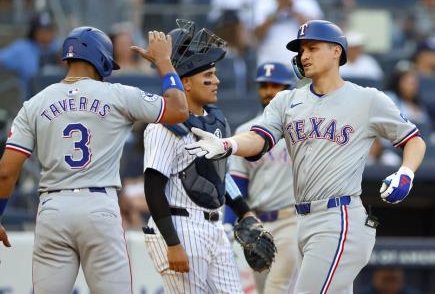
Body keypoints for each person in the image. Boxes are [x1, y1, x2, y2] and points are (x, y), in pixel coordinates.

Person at [186, 19, 426, 293]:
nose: (304, 55)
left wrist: (406, 173)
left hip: (340, 218)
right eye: (301, 50)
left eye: (312, 47)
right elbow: (258, 138)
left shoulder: (367, 99)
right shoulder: (286, 101)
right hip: (303, 221)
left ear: (337, 51)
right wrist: (229, 144)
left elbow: (413, 140)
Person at [0, 26, 189, 294]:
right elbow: (179, 109)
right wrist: (163, 62)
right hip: (99, 206)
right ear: (101, 59)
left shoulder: (34, 104)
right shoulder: (119, 95)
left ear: (67, 58)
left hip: (53, 208)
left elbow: (6, 172)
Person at [142, 19, 270, 294]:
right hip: (180, 226)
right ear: (185, 83)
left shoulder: (215, 121)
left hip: (215, 228)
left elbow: (219, 176)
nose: (217, 81)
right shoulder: (163, 125)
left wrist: (244, 212)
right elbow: (153, 188)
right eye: (208, 76)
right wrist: (173, 244)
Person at [224, 62, 299, 294]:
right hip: (256, 222)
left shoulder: (301, 131)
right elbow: (237, 182)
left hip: (291, 220)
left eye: (275, 86)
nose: (268, 91)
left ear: (288, 89)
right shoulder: (246, 132)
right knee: (261, 288)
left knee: (276, 287)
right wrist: (229, 220)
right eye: (264, 85)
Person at [0, 12, 60, 100]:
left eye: (49, 30)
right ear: (34, 32)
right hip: (32, 103)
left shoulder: (60, 46)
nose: (47, 34)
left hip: (60, 103)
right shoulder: (22, 49)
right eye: (42, 31)